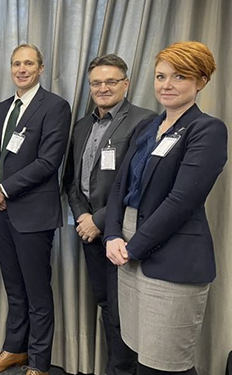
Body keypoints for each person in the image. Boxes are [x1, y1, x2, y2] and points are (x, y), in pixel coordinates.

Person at [104, 41, 227, 375]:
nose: (166, 84)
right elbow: (120, 186)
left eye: (179, 76)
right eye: (160, 76)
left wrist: (134, 247)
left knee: (166, 362)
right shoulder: (147, 127)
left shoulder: (207, 129)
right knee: (137, 349)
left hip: (169, 257)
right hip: (127, 249)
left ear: (200, 81)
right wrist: (112, 234)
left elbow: (181, 201)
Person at [0, 44, 72, 375]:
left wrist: (5, 189)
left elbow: (48, 161)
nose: (21, 69)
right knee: (14, 288)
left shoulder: (56, 107)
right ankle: (14, 350)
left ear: (41, 68)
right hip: (0, 213)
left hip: (33, 213)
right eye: (16, 63)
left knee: (37, 291)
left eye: (28, 63)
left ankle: (40, 363)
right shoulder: (3, 107)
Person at [63, 54, 156, 374]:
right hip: (88, 231)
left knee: (124, 311)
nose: (103, 88)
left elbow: (139, 182)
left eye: (110, 81)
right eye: (96, 83)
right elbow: (71, 180)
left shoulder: (145, 121)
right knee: (105, 305)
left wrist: (99, 221)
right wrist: (81, 218)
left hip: (123, 232)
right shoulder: (82, 125)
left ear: (126, 84)